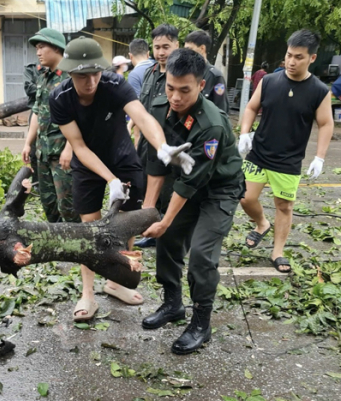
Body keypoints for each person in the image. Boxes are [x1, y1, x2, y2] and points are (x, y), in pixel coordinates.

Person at [49, 37, 194, 321]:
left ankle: (116, 281)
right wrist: (109, 179)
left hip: (122, 156)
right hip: (87, 162)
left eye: (95, 73)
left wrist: (161, 146)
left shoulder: (115, 84)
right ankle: (88, 294)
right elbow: (78, 146)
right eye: (82, 75)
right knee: (89, 230)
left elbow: (142, 117)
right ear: (70, 73)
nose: (90, 81)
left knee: (127, 223)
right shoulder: (59, 98)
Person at [141, 48, 244, 354]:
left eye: (184, 90)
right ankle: (173, 304)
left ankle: (201, 321)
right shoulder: (159, 107)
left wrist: (165, 219)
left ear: (201, 86)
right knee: (168, 241)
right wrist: (150, 213)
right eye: (170, 88)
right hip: (187, 184)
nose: (175, 97)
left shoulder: (210, 125)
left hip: (219, 189)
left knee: (200, 254)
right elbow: (157, 164)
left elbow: (189, 183)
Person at [238, 29, 333, 273]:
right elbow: (250, 107)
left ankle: (277, 252)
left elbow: (325, 124)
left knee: (284, 206)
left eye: (299, 57)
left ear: (312, 58)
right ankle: (261, 224)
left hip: (289, 160)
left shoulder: (320, 91)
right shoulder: (269, 81)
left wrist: (320, 157)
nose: (291, 61)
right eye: (289, 55)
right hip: (259, 153)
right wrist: (244, 133)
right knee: (245, 197)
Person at [21, 28, 78, 224]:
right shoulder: (43, 76)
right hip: (43, 152)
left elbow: (78, 116)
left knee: (68, 205)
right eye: (36, 48)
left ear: (56, 48)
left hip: (62, 153)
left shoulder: (70, 78)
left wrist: (70, 149)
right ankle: (56, 244)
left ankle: (75, 248)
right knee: (48, 203)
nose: (38, 53)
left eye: (41, 47)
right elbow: (37, 111)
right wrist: (28, 143)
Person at [134, 24, 180, 248]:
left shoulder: (179, 75)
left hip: (170, 143)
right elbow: (141, 111)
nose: (161, 52)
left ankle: (170, 236)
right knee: (147, 187)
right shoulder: (150, 73)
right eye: (157, 47)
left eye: (166, 47)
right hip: (146, 144)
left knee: (169, 190)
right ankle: (153, 231)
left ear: (176, 45)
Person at [184, 30, 229, 113]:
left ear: (202, 48)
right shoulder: (185, 72)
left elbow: (221, 110)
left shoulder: (215, 76)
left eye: (189, 49)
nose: (186, 53)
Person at [23, 61, 42, 185]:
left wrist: (38, 86)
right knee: (34, 149)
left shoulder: (62, 70)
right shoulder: (32, 69)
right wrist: (48, 87)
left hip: (57, 111)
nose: (39, 52)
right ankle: (37, 183)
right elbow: (29, 88)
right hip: (37, 110)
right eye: (38, 48)